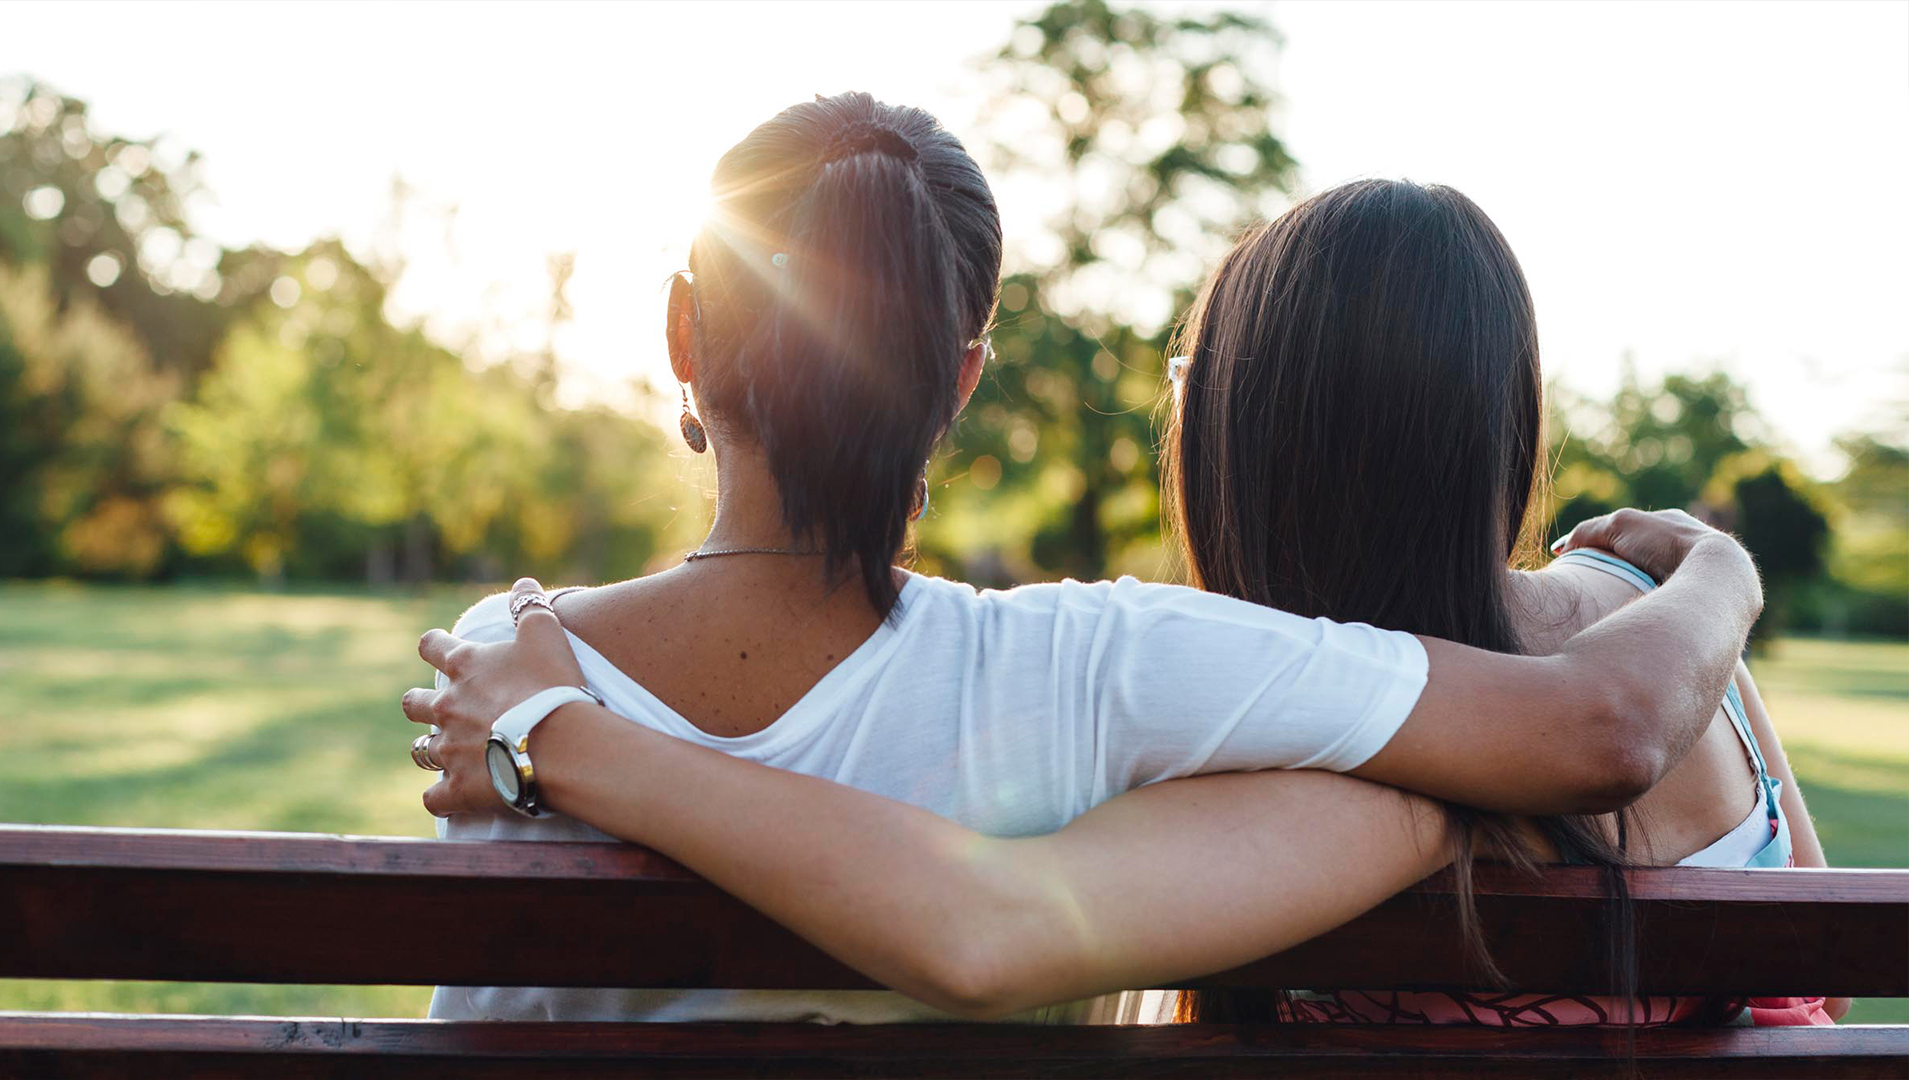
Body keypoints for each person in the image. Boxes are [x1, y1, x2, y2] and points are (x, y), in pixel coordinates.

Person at [401, 100, 1764, 1026]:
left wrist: (558, 731)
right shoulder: (1103, 662)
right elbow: (1603, 723)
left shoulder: (510, 656)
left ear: (684, 336)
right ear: (961, 377)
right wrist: (1719, 572)